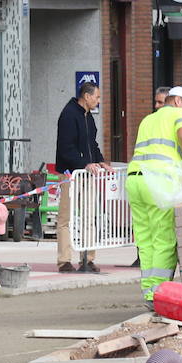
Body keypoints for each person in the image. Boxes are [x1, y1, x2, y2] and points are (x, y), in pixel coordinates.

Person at [125, 86, 182, 302]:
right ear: (178, 101)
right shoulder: (180, 114)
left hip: (135, 179)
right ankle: (159, 293)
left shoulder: (148, 119)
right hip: (159, 182)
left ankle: (149, 292)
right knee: (164, 239)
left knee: (145, 239)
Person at [54, 80, 109, 273]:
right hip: (71, 174)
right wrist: (84, 164)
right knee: (65, 218)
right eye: (97, 96)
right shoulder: (69, 115)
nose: (98, 100)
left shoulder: (88, 117)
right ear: (86, 96)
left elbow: (92, 144)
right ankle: (64, 260)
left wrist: (100, 161)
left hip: (87, 174)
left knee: (88, 217)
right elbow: (65, 149)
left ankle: (88, 258)